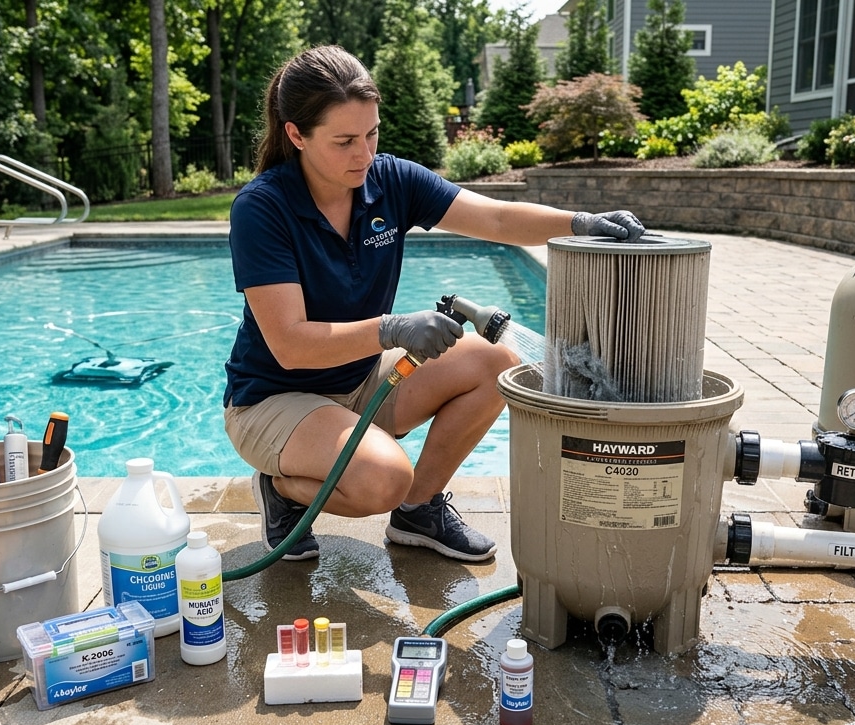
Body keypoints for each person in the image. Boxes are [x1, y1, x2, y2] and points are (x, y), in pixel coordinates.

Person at [224, 45, 646, 563]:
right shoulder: (262, 209)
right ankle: (280, 490)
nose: (364, 154)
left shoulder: (389, 181)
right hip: (274, 399)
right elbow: (289, 345)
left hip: (356, 381)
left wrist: (577, 223)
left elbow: (494, 219)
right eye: (344, 141)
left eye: (372, 133)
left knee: (495, 364)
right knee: (384, 479)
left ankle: (418, 511)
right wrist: (392, 329)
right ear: (296, 134)